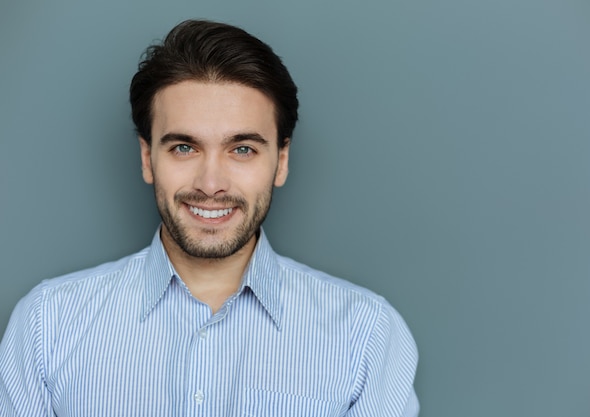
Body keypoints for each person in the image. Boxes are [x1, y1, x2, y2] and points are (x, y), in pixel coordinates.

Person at [0, 19, 418, 416]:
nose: (211, 183)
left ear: (281, 161)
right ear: (148, 158)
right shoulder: (46, 326)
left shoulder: (366, 335)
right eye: (184, 147)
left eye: (242, 149)